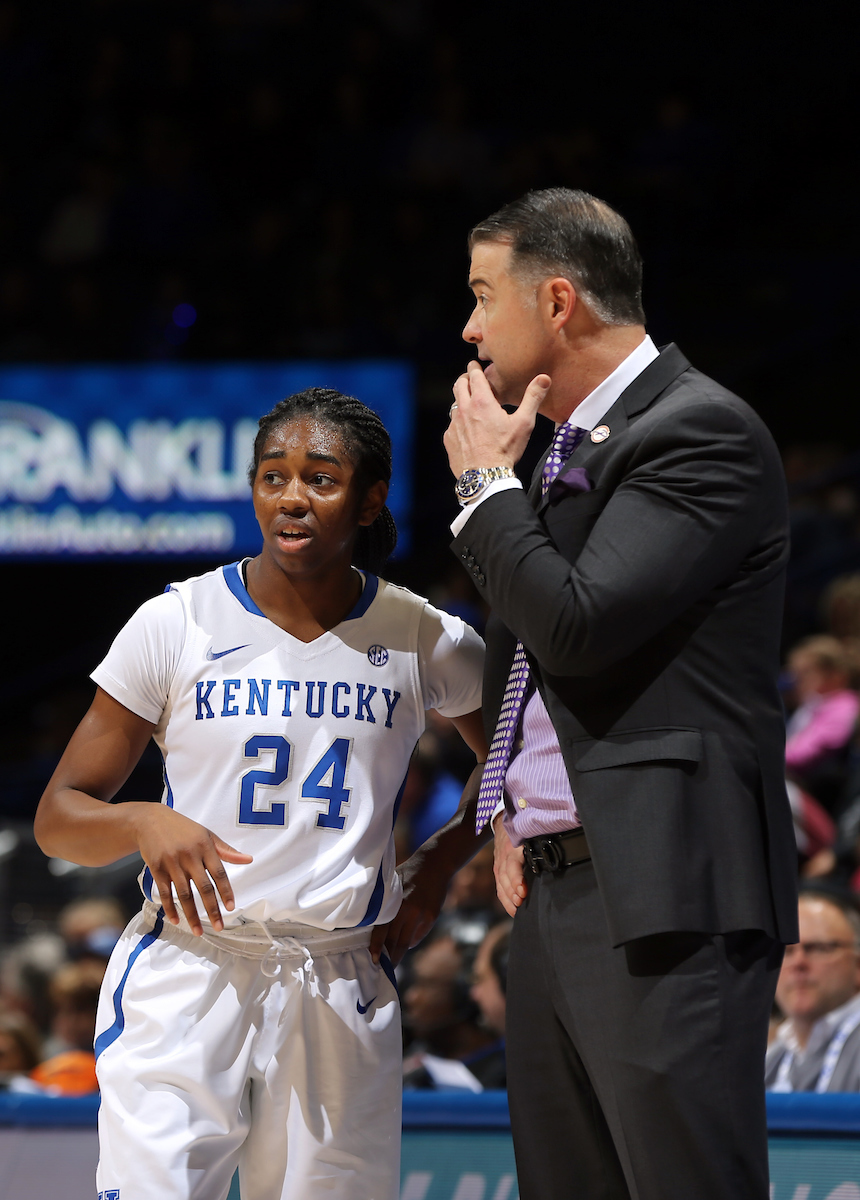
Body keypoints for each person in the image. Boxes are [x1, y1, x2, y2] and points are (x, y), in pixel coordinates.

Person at [34, 388, 486, 1200]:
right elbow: (58, 817)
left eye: (321, 478)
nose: (292, 499)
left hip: (338, 972)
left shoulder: (425, 636)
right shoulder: (174, 622)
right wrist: (141, 819)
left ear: (371, 496)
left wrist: (445, 857)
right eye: (273, 476)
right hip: (191, 963)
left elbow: (521, 760)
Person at [440, 187, 798, 1200]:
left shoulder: (697, 431)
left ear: (557, 302)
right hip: (557, 888)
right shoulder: (558, 451)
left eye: (480, 295)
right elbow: (531, 654)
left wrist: (481, 491)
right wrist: (505, 794)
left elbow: (576, 626)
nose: (466, 328)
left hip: (663, 889)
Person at [766, 890, 860, 1091]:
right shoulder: (769, 1062)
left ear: (858, 965)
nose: (798, 962)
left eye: (817, 948)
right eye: (785, 951)